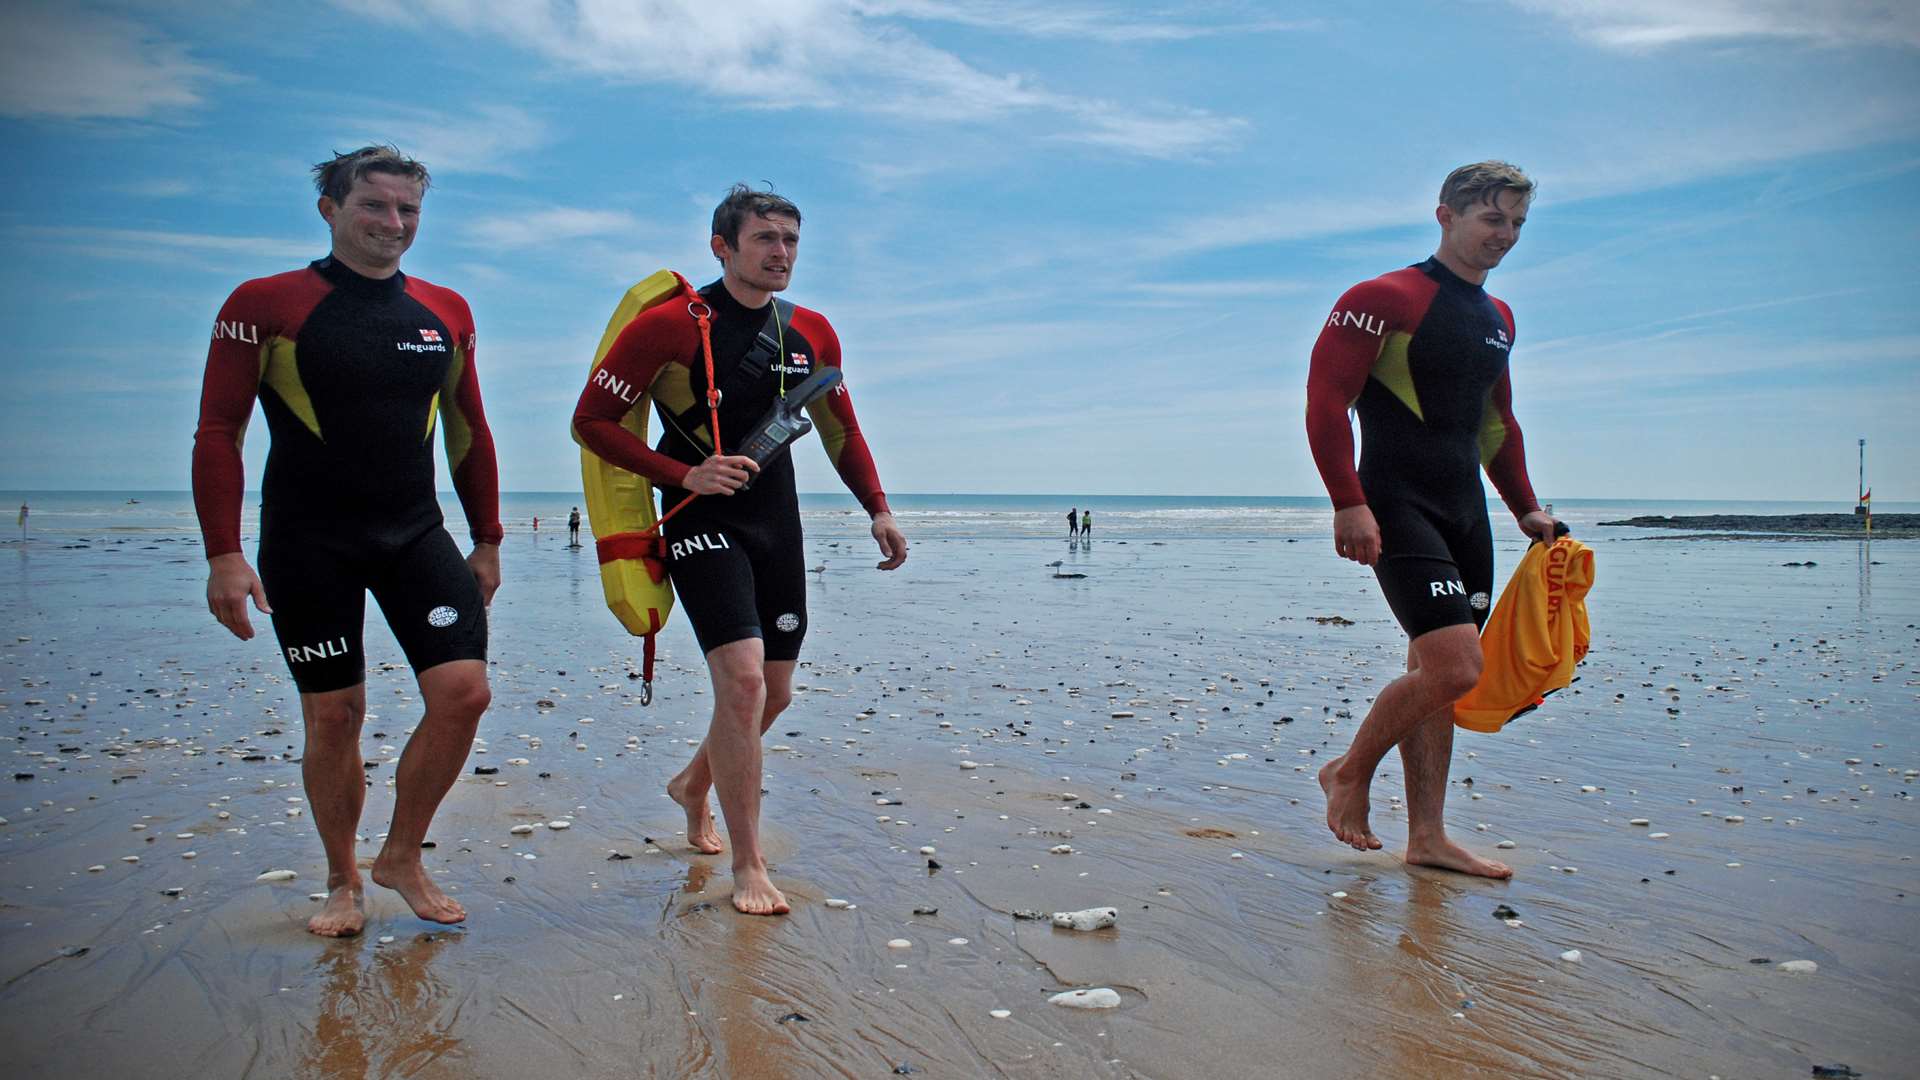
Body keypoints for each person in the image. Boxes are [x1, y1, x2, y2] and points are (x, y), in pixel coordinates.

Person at [192, 145, 502, 936]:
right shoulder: (266, 303)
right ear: (330, 208)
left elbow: (470, 431)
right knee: (335, 715)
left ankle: (400, 855)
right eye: (375, 205)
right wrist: (223, 554)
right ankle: (343, 879)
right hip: (309, 540)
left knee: (465, 693)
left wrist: (488, 538)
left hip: (415, 533)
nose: (393, 223)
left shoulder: (446, 311)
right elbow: (219, 430)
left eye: (408, 210)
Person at [573, 184, 905, 915]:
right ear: (722, 247)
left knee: (776, 691)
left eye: (789, 239)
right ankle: (749, 865)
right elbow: (592, 421)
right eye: (764, 239)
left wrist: (877, 510)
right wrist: (682, 473)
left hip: (776, 519)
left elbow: (842, 432)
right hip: (699, 515)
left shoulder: (812, 332)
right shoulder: (668, 328)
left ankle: (693, 784)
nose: (780, 253)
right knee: (745, 685)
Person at [1304, 161, 1559, 878]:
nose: (1504, 236)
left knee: (1432, 671)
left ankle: (1428, 837)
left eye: (1515, 224)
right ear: (1446, 215)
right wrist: (1347, 500)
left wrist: (1526, 507)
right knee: (1456, 667)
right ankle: (1350, 772)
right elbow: (1326, 403)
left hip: (1463, 512)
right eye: (1491, 219)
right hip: (1395, 502)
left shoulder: (1498, 318)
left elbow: (1495, 424)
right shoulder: (1381, 298)